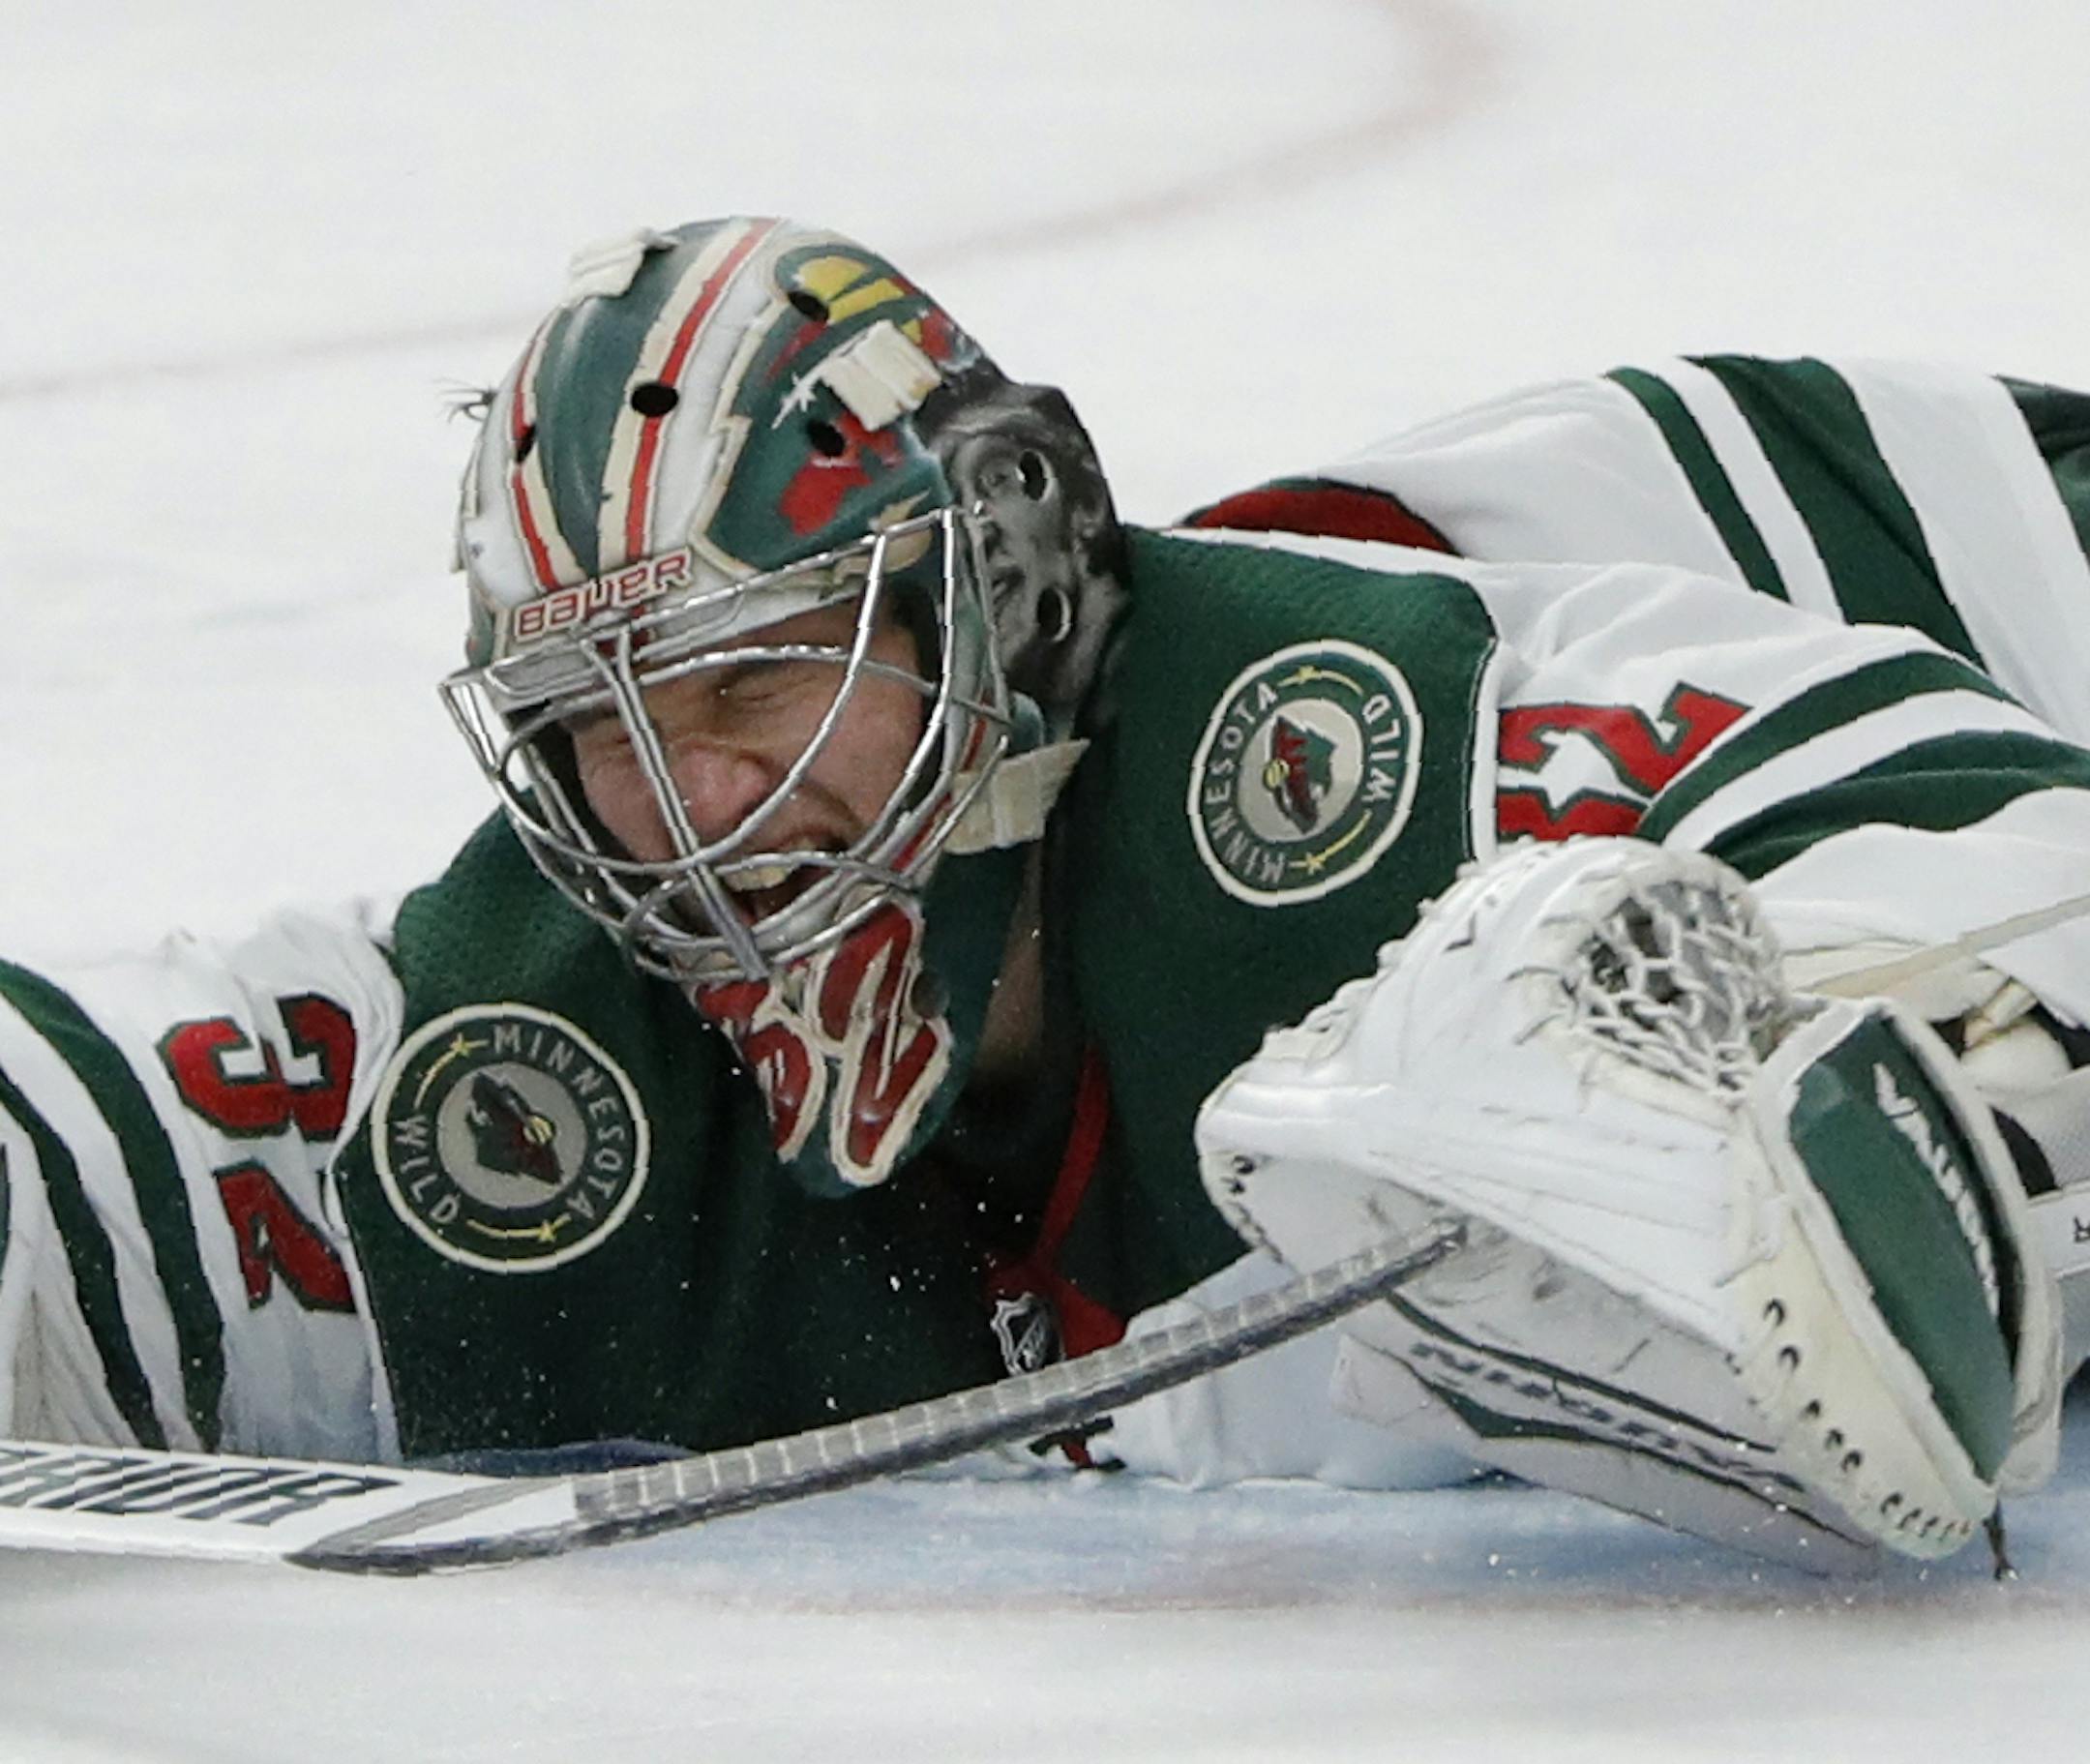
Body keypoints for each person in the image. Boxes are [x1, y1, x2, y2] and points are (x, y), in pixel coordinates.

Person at [1, 216, 2085, 1572]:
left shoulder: (1403, 736)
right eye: (595, 726)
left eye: (749, 674)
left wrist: (1850, 1090)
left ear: (991, 597)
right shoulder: (527, 1036)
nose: (691, 801)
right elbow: (124, 1117)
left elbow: (2004, 853)